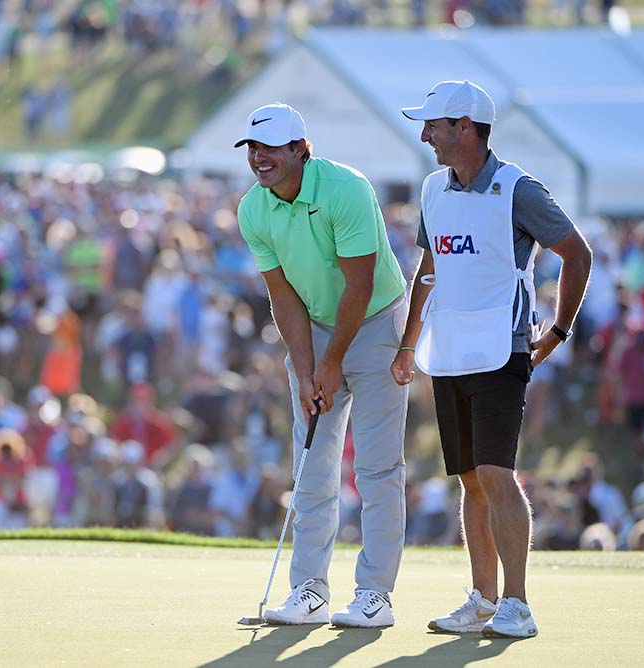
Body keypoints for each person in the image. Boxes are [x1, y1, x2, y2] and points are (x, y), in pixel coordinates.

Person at [392, 81, 591, 639]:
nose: (425, 134)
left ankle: (517, 605)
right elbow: (429, 269)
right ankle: (481, 600)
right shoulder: (432, 188)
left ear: (464, 128)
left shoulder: (518, 189)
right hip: (450, 351)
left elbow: (577, 254)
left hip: (502, 349)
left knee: (498, 476)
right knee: (471, 481)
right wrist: (409, 343)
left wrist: (557, 330)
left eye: (434, 125)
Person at [235, 103, 408, 628]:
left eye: (271, 149)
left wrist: (332, 365)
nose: (260, 159)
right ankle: (308, 590)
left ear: (300, 150)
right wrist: (307, 369)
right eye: (253, 150)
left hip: (376, 322)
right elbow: (282, 295)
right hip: (312, 327)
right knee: (311, 466)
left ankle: (374, 595)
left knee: (378, 470)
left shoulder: (347, 189)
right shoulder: (252, 210)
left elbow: (360, 284)